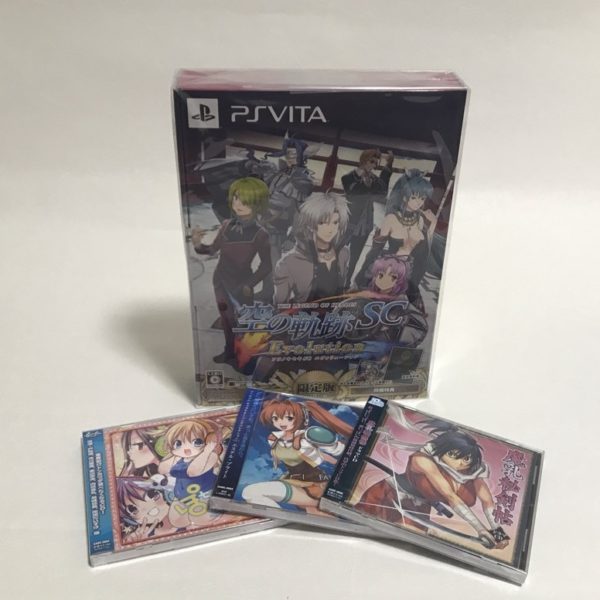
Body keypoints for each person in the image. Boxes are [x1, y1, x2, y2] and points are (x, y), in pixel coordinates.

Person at [356, 415, 510, 550]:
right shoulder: (423, 460)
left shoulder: (473, 471)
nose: (461, 463)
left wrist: (498, 533)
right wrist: (480, 529)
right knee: (360, 523)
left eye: (467, 458)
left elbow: (487, 501)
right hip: (389, 494)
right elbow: (450, 495)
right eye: (453, 455)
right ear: (441, 450)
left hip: (419, 507)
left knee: (409, 537)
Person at [192, 177, 271, 364]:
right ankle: (229, 352)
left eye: (245, 201)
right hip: (220, 281)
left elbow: (267, 265)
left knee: (241, 323)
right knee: (226, 320)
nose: (239, 204)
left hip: (241, 284)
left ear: (257, 204)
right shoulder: (227, 224)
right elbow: (212, 249)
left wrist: (249, 284)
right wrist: (197, 243)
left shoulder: (261, 233)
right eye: (236, 198)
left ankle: (245, 356)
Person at [241, 396, 353, 514]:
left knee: (251, 492)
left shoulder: (307, 436)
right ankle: (284, 518)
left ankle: (285, 517)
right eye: (275, 418)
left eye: (288, 418)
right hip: (293, 481)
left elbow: (337, 451)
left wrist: (336, 449)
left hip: (313, 486)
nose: (281, 422)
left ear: (299, 417)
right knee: (250, 493)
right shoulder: (274, 438)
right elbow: (317, 454)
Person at [356, 170, 436, 305]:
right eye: (414, 197)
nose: (418, 202)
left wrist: (433, 223)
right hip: (392, 272)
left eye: (422, 198)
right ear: (404, 197)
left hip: (412, 274)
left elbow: (424, 252)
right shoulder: (391, 219)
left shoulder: (420, 219)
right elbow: (375, 250)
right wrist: (362, 277)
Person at [273, 192, 350, 303]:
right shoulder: (288, 262)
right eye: (323, 222)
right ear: (310, 224)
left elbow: (340, 292)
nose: (330, 229)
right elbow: (280, 306)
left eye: (335, 222)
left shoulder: (343, 253)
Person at [342, 149, 394, 286]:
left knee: (354, 257)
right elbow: (355, 192)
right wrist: (367, 184)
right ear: (363, 160)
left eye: (376, 163)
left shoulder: (374, 179)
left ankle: (347, 282)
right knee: (337, 252)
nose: (374, 165)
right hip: (348, 222)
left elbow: (382, 191)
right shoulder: (348, 178)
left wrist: (388, 166)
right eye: (371, 161)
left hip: (365, 225)